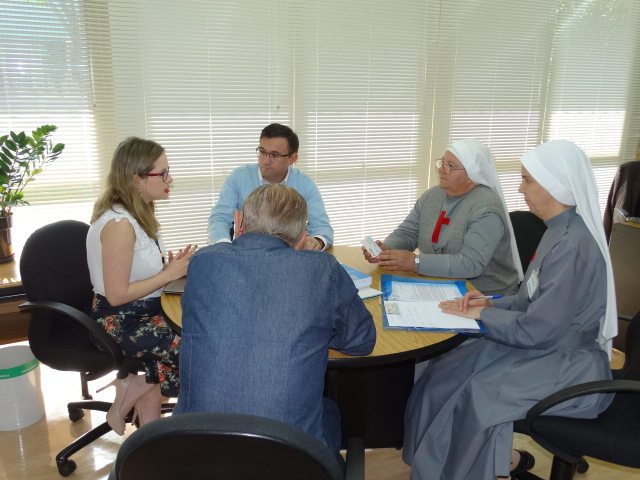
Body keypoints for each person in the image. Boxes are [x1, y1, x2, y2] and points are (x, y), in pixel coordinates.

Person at [402, 140, 617, 480]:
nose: (520, 189)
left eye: (528, 180)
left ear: (556, 186)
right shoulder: (557, 229)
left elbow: (538, 329)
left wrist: (481, 316)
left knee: (477, 393)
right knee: (443, 374)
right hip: (539, 340)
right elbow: (533, 296)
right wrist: (491, 302)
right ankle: (432, 466)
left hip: (564, 359)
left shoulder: (572, 245)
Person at [175, 183, 375, 456]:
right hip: (287, 457)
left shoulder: (203, 262)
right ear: (302, 239)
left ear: (238, 221)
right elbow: (361, 342)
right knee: (329, 409)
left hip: (189, 449)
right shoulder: (322, 268)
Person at [86, 137, 197, 435]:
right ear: (136, 179)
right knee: (193, 348)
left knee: (191, 332)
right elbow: (117, 294)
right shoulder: (120, 225)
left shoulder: (138, 213)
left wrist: (166, 269)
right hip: (118, 319)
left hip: (143, 310)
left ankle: (150, 437)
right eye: (162, 173)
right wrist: (167, 274)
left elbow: (134, 274)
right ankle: (129, 390)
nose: (169, 178)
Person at [362, 138, 521, 296]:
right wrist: (387, 250)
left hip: (484, 297)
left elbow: (470, 264)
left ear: (472, 175)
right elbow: (408, 233)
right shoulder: (433, 195)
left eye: (451, 166)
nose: (441, 169)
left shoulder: (486, 208)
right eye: (442, 162)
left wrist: (415, 262)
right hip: (441, 285)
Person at [207, 123, 334, 251]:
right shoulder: (239, 177)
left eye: (275, 155)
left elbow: (322, 226)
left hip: (289, 255)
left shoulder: (304, 184)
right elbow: (220, 218)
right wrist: (224, 246)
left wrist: (317, 241)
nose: (266, 161)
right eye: (262, 152)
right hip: (247, 252)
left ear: (292, 158)